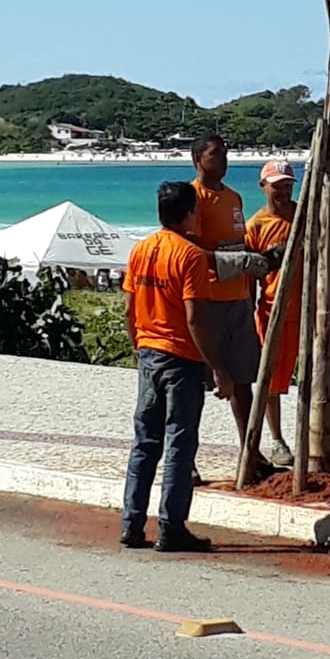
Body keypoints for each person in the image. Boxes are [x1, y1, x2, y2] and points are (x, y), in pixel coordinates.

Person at [120, 181, 233, 552]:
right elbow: (195, 317)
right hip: (180, 356)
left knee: (145, 442)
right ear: (188, 214)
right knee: (179, 443)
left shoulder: (141, 251)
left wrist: (139, 344)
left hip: (149, 353)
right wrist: (216, 365)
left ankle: (132, 522)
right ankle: (171, 526)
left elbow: (129, 309)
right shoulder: (190, 256)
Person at [244, 159, 330, 467]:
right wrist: (247, 317)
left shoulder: (307, 216)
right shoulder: (256, 226)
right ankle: (276, 441)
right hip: (275, 310)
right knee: (271, 381)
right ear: (264, 187)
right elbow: (250, 277)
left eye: (288, 185)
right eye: (278, 186)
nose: (284, 192)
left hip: (313, 310)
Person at [190, 135, 275, 477]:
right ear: (197, 159)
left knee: (243, 381)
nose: (223, 160)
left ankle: (250, 451)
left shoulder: (234, 198)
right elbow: (191, 254)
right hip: (208, 302)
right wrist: (234, 262)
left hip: (238, 300)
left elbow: (239, 244)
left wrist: (253, 267)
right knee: (196, 382)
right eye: (215, 154)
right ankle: (186, 459)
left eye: (226, 153)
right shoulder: (194, 198)